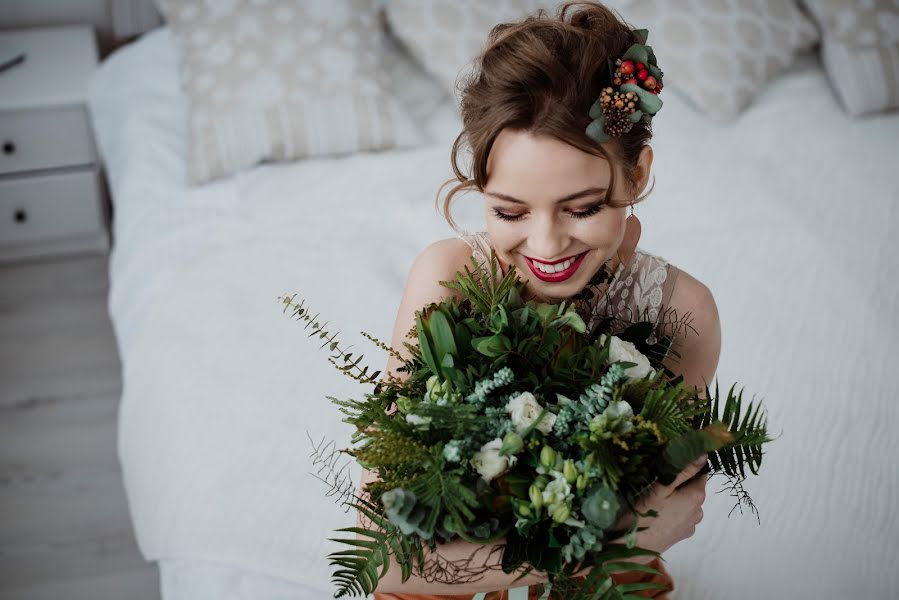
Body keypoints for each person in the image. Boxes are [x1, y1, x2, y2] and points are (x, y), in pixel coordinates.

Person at [362, 2, 721, 598]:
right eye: (509, 211)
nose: (547, 245)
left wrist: (622, 542)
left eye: (583, 208)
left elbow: (666, 510)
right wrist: (614, 542)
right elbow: (383, 559)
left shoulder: (682, 317)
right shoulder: (446, 281)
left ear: (636, 175)